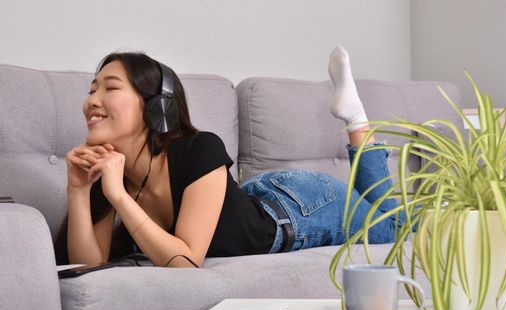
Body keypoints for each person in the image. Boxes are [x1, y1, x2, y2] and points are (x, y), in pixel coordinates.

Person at [54, 47, 401, 268]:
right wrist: (79, 189)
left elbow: (185, 262)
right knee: (389, 216)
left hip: (301, 209)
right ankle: (356, 118)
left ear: (157, 107)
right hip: (259, 195)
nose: (92, 100)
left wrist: (117, 196)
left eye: (110, 87)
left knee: (396, 226)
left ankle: (356, 118)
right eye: (92, 89)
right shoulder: (110, 168)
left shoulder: (200, 147)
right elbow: (88, 265)